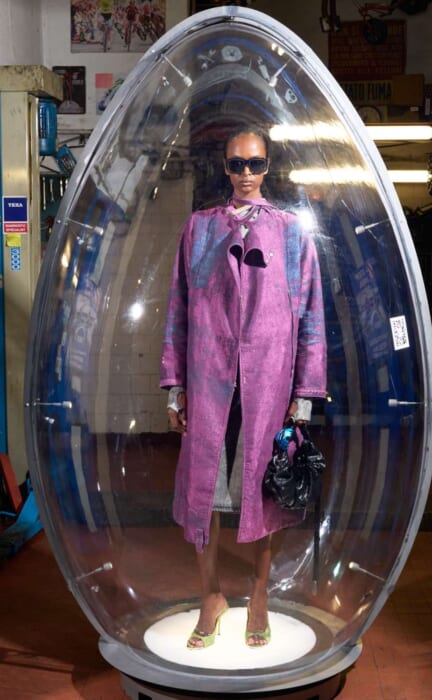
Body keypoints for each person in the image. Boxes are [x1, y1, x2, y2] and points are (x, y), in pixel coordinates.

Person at [160, 126, 327, 649]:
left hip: (269, 382)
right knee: (203, 490)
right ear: (225, 167)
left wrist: (304, 396)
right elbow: (178, 309)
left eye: (256, 163)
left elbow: (311, 318)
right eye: (237, 164)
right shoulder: (199, 228)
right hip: (209, 379)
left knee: (265, 486)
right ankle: (209, 595)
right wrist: (174, 386)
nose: (247, 173)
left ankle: (259, 595)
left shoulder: (292, 234)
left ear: (268, 166)